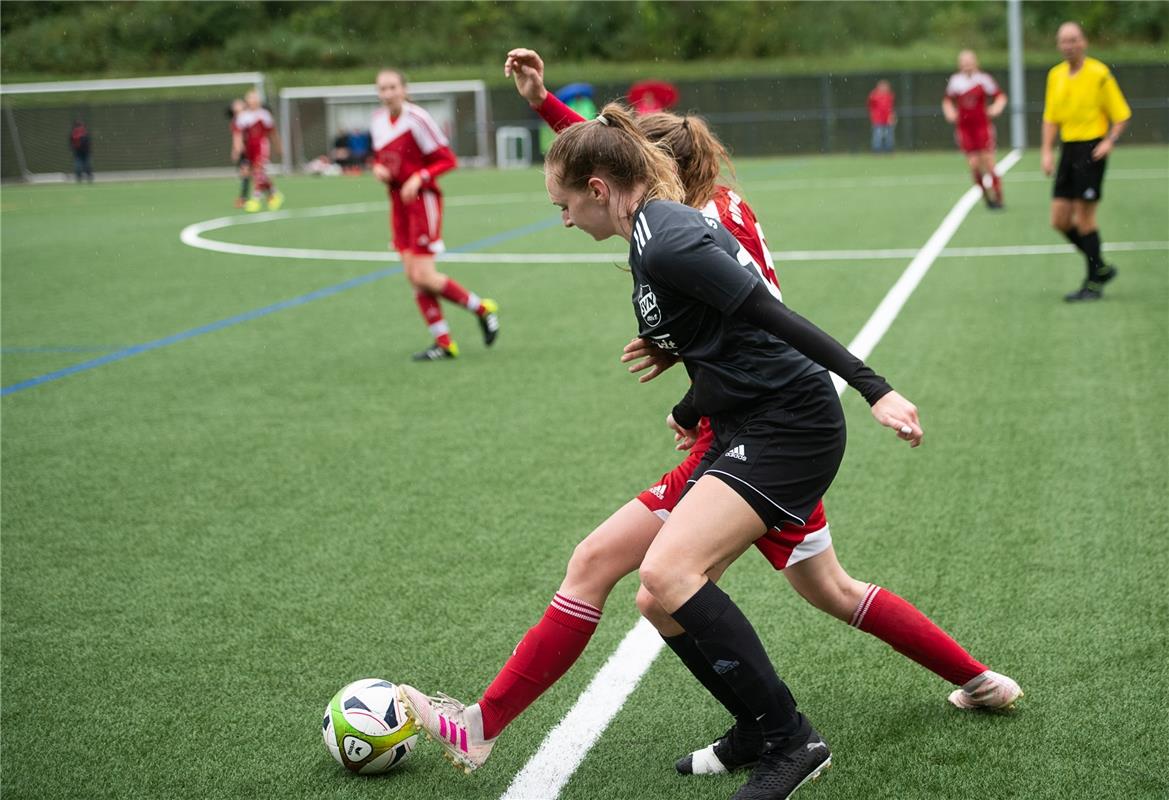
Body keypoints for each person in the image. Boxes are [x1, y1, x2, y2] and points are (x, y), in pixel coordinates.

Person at [399, 53, 1019, 798]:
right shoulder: (659, 217)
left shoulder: (687, 227)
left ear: (639, 171)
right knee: (767, 582)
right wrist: (541, 106)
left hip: (768, 424)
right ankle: (948, 687)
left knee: (673, 583)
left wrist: (862, 389)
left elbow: (761, 321)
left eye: (571, 199)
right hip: (734, 422)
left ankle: (785, 734)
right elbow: (599, 166)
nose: (563, 215)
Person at [370, 68, 500, 361]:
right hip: (397, 205)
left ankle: (481, 308)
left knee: (423, 274)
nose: (387, 93)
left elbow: (447, 160)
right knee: (413, 277)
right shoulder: (377, 121)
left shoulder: (417, 119)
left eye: (392, 87)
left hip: (422, 203)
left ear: (404, 89)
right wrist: (377, 168)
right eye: (382, 89)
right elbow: (382, 159)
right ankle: (443, 342)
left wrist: (420, 177)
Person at [1041, 22, 1132, 302]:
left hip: (1091, 150)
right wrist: (1046, 150)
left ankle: (1093, 283)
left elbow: (1121, 114)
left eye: (1073, 40)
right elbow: (1050, 117)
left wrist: (1109, 141)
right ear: (1058, 45)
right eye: (1063, 41)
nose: (1068, 45)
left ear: (1084, 42)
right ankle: (1100, 266)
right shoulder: (1055, 75)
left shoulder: (1099, 73)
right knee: (1059, 219)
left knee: (1084, 219)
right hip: (1068, 150)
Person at [943, 50, 1007, 209]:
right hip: (965, 129)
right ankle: (986, 195)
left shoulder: (983, 80)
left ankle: (998, 195)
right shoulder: (955, 81)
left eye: (969, 62)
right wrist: (950, 112)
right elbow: (947, 101)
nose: (967, 66)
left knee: (988, 162)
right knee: (974, 165)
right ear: (959, 65)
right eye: (964, 63)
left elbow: (1000, 96)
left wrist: (996, 107)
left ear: (976, 62)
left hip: (982, 126)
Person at [232, 89, 283, 213]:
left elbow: (273, 132)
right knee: (257, 172)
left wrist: (278, 146)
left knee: (258, 171)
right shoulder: (243, 116)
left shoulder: (264, 114)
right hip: (250, 148)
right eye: (251, 98)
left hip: (261, 145)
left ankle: (256, 199)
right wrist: (237, 148)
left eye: (255, 98)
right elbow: (238, 134)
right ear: (247, 101)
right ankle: (274, 194)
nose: (253, 100)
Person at [227, 99, 250, 208]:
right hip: (245, 151)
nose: (239, 103)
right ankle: (243, 198)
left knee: (253, 173)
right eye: (236, 104)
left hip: (252, 149)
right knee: (246, 174)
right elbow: (236, 138)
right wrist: (235, 150)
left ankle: (270, 194)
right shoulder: (236, 121)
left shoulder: (249, 116)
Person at [867, 80, 896, 154]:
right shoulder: (874, 95)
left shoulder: (889, 95)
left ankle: (889, 151)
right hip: (878, 120)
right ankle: (877, 152)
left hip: (888, 120)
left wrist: (892, 117)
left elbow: (890, 108)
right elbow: (870, 106)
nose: (884, 88)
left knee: (889, 137)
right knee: (878, 137)